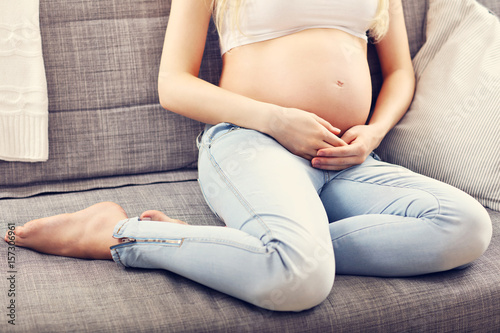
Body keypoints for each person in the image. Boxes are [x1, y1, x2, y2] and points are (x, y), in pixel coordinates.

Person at [5, 0, 492, 312]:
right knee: (299, 280)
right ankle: (117, 233)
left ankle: (246, 247)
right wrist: (276, 119)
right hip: (251, 143)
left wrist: (373, 133)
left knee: (467, 226)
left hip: (348, 156)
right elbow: (173, 85)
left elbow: (400, 73)